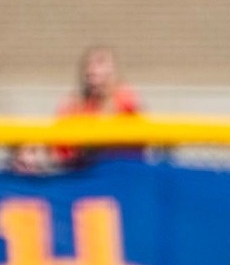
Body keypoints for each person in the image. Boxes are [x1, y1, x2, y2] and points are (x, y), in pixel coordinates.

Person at [14, 45, 144, 173]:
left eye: (100, 62)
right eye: (89, 64)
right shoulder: (74, 106)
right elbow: (59, 152)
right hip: (81, 176)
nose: (92, 70)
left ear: (114, 71)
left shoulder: (127, 102)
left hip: (119, 175)